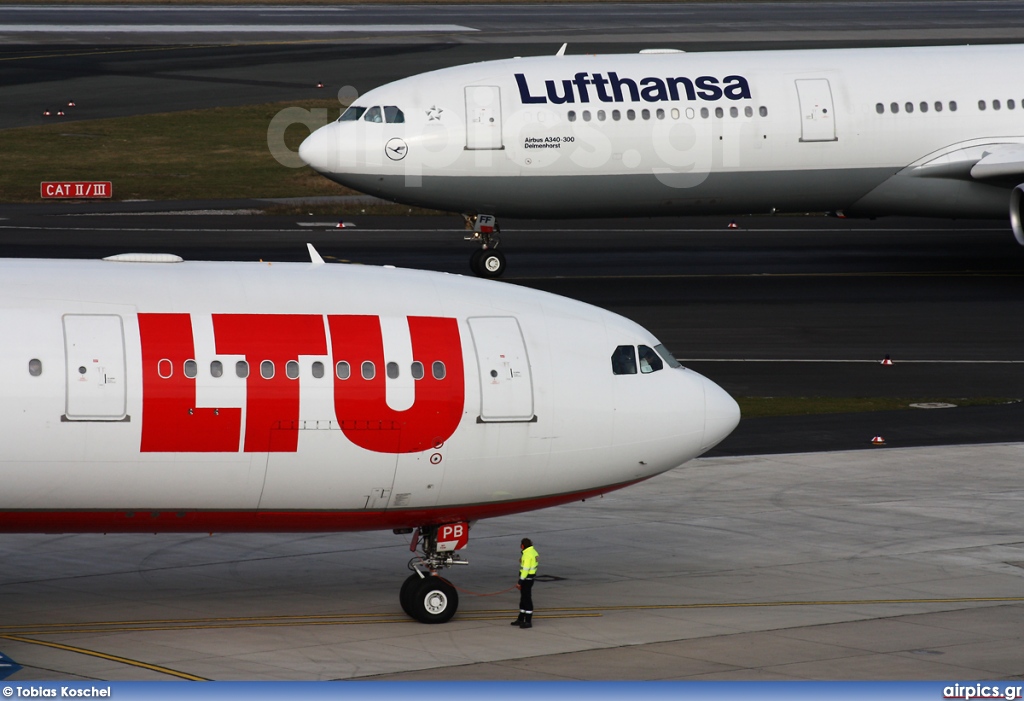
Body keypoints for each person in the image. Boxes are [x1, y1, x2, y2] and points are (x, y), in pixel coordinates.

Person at [512, 537, 539, 628]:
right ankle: (521, 618)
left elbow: (525, 570)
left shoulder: (527, 555)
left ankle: (528, 621)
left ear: (523, 545)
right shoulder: (533, 552)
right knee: (523, 598)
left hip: (526, 580)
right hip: (529, 579)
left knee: (526, 599)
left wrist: (520, 582)